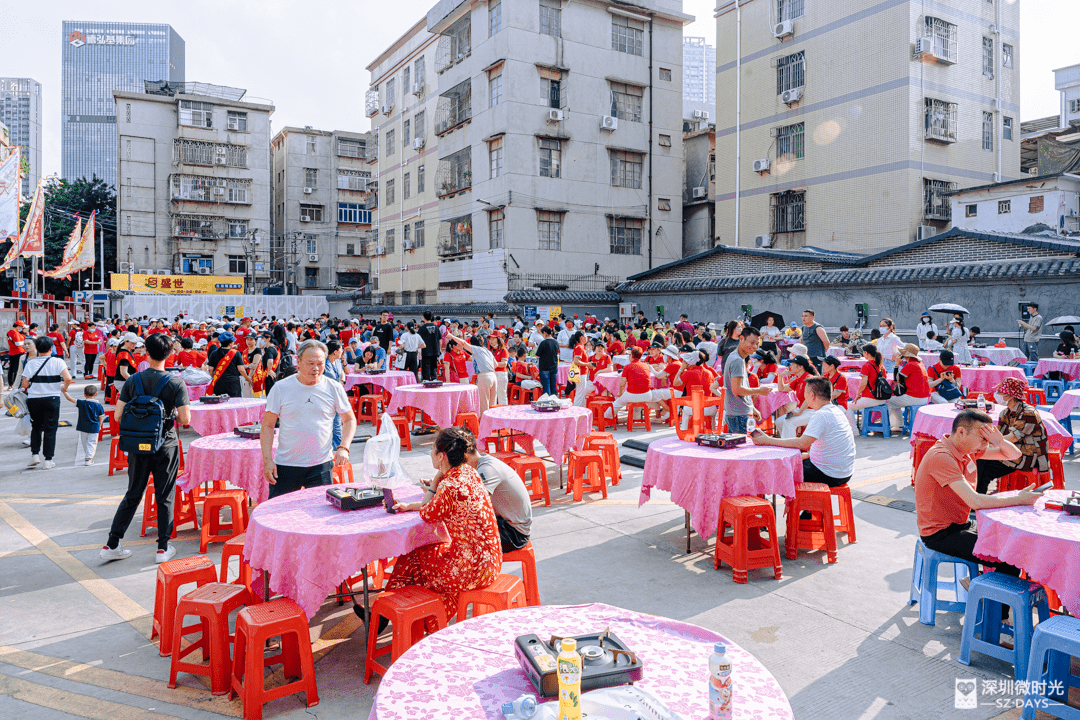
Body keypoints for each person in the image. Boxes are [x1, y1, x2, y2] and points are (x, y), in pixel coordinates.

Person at [383, 428, 501, 626]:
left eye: (432, 449)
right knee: (426, 558)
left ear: (441, 456)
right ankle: (427, 620)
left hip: (472, 569)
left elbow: (427, 513)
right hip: (490, 562)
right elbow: (438, 506)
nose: (430, 454)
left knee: (413, 557)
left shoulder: (449, 485)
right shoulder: (469, 473)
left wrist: (434, 483)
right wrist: (410, 505)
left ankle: (400, 616)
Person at [914, 410, 1041, 580]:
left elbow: (1015, 455)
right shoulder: (942, 456)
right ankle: (990, 604)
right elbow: (975, 501)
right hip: (940, 533)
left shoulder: (967, 450)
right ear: (961, 432)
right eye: (982, 437)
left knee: (1012, 540)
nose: (985, 443)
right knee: (1010, 558)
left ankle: (983, 589)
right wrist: (1018, 499)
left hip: (961, 524)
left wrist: (1000, 441)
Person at [100, 333, 191, 563]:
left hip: (137, 446)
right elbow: (185, 419)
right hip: (165, 445)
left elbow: (118, 414)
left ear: (146, 353)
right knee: (164, 495)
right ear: (170, 354)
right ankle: (162, 547)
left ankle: (112, 543)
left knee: (133, 494)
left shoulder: (133, 381)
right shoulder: (175, 382)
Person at [261, 339, 356, 498]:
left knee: (319, 514)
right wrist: (267, 460)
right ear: (298, 361)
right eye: (310, 363)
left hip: (321, 465)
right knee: (278, 515)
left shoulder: (333, 387)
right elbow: (268, 426)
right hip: (286, 464)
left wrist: (344, 447)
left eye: (320, 363)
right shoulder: (281, 388)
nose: (316, 368)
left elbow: (349, 419)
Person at [753, 376, 856, 487]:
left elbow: (803, 443)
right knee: (790, 463)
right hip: (843, 472)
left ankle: (796, 503)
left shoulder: (821, 415)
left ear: (812, 395)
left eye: (804, 393)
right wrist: (810, 455)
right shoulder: (835, 410)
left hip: (829, 474)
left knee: (778, 471)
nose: (803, 396)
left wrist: (767, 440)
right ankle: (796, 502)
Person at [975, 377, 1049, 494]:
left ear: (1010, 395)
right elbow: (997, 435)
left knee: (985, 465)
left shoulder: (1028, 413)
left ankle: (978, 499)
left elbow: (1011, 438)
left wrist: (988, 443)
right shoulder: (1005, 413)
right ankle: (978, 497)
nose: (997, 394)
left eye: (1000, 392)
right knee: (980, 457)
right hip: (1010, 451)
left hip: (1028, 456)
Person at [466, 444, 532, 552]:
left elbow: (476, 507)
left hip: (514, 533)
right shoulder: (479, 464)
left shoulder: (487, 469)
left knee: (459, 538)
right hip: (505, 523)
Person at [22, 336, 75, 469]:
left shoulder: (30, 363)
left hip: (34, 399)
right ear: (51, 348)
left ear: (37, 348)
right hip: (52, 398)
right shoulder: (58, 362)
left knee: (36, 427)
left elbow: (24, 383)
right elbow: (67, 378)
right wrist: (64, 388)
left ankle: (34, 455)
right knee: (50, 429)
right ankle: (48, 460)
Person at [722, 326, 771, 433]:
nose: (754, 346)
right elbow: (737, 390)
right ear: (741, 339)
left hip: (737, 413)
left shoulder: (735, 357)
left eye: (757, 343)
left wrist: (752, 408)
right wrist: (759, 391)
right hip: (739, 415)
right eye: (752, 342)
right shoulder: (737, 360)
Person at [613, 346, 669, 421]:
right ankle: (637, 418)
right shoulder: (646, 366)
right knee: (651, 395)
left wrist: (619, 393)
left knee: (617, 403)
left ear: (632, 356)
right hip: (646, 395)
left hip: (632, 395)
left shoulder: (627, 367)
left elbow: (622, 383)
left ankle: (606, 418)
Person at [886, 344, 930, 427]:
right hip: (924, 398)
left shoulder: (910, 365)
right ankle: (898, 425)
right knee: (895, 402)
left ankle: (888, 425)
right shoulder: (920, 363)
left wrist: (896, 365)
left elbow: (896, 379)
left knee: (888, 401)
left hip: (914, 397)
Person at [453, 334, 498, 414]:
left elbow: (463, 343)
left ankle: (483, 425)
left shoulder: (476, 349)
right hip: (493, 375)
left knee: (484, 404)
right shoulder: (487, 351)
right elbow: (496, 365)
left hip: (484, 376)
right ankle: (492, 424)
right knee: (492, 404)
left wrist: (451, 336)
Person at [774, 356, 816, 439]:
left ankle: (791, 446)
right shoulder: (798, 379)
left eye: (792, 364)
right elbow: (782, 389)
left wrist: (799, 412)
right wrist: (781, 375)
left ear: (800, 367)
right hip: (802, 409)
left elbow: (809, 399)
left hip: (812, 410)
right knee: (779, 422)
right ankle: (787, 441)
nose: (790, 367)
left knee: (789, 422)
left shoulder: (808, 378)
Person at [72, 384, 106, 465]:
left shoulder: (81, 403)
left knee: (84, 442)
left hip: (82, 426)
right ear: (96, 394)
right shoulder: (98, 405)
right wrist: (100, 425)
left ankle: (87, 455)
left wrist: (65, 392)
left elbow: (71, 399)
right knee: (92, 442)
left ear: (84, 394)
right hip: (94, 426)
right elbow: (100, 416)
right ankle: (88, 458)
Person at [206, 332, 247, 398]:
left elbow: (210, 369)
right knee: (234, 403)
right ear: (230, 343)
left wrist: (214, 376)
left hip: (219, 382)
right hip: (233, 383)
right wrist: (247, 378)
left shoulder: (214, 353)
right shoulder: (236, 353)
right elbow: (241, 369)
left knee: (220, 403)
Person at [851, 345, 888, 415]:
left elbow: (863, 383)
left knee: (848, 406)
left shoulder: (867, 366)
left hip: (870, 398)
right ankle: (864, 425)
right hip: (882, 398)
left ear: (866, 353)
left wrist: (858, 394)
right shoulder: (881, 366)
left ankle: (853, 426)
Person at [535, 326, 560, 396]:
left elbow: (537, 355)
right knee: (553, 387)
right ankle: (554, 402)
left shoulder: (543, 342)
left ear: (545, 333)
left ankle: (547, 403)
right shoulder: (556, 342)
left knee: (546, 388)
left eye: (542, 334)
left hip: (544, 367)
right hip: (554, 367)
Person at [490, 334, 509, 406]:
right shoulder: (491, 350)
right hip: (493, 373)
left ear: (498, 339)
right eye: (490, 339)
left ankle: (504, 413)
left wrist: (493, 364)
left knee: (501, 395)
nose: (491, 341)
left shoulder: (503, 350)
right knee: (493, 395)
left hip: (501, 373)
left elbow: (504, 363)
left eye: (493, 339)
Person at [6, 320, 26, 387]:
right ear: (18, 326)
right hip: (18, 352)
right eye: (21, 327)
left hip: (12, 352)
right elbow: (17, 343)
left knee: (11, 368)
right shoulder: (15, 333)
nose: (21, 328)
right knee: (17, 369)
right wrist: (25, 342)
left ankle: (11, 384)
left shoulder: (9, 332)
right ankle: (15, 383)